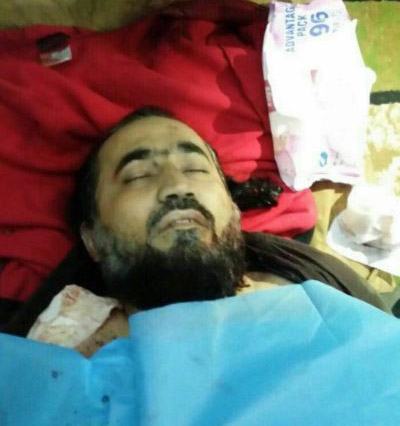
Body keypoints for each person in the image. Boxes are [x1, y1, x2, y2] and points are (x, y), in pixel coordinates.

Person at [0, 106, 391, 355]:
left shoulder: (316, 290)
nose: (176, 186)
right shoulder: (58, 356)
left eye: (196, 169)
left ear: (234, 209)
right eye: (138, 175)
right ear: (92, 239)